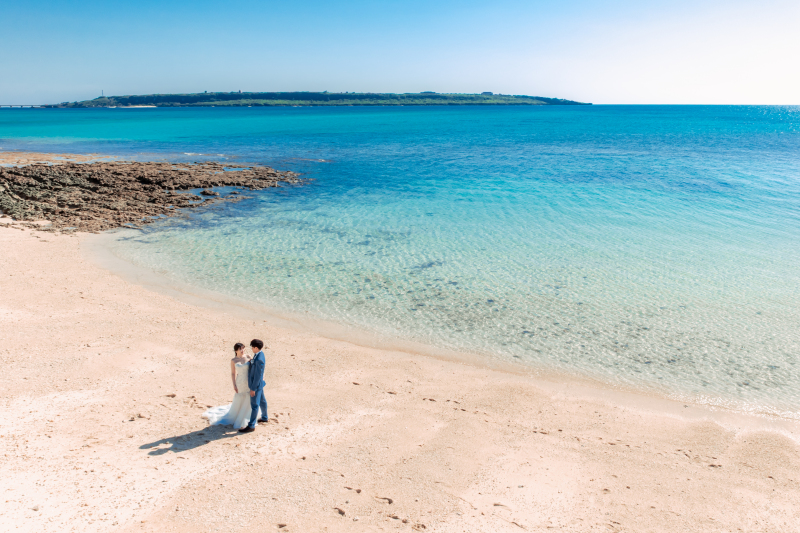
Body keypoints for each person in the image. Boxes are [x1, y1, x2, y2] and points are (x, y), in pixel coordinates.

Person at [201, 343, 257, 429]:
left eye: (243, 349)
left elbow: (254, 368)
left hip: (248, 381)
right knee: (240, 397)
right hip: (240, 382)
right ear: (236, 350)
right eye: (240, 349)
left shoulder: (249, 357)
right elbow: (233, 373)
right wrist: (234, 384)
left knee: (249, 397)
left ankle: (248, 417)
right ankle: (239, 416)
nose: (242, 351)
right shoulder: (233, 360)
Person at [239, 338, 269, 433]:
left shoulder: (259, 359)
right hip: (260, 385)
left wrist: (253, 388)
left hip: (256, 385)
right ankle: (264, 417)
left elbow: (257, 376)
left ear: (256, 348)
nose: (252, 349)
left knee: (255, 405)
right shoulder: (260, 354)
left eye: (252, 347)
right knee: (263, 401)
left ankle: (251, 425)